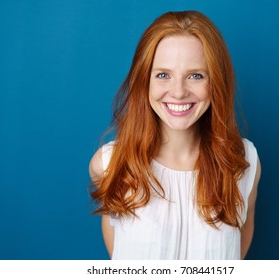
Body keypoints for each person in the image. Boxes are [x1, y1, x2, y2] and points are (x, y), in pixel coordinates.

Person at [89, 10, 261, 260]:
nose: (178, 92)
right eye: (163, 75)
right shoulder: (109, 164)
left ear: (216, 82)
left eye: (195, 75)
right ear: (143, 81)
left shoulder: (245, 163)